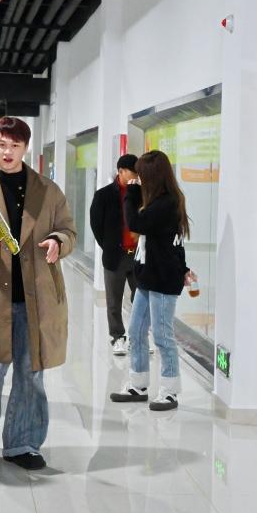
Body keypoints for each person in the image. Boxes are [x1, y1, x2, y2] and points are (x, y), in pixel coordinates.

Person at [0, 116, 76, 470]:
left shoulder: (48, 190)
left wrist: (58, 242)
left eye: (15, 145)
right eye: (1, 145)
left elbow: (68, 230)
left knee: (31, 374)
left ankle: (24, 442)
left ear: (25, 148)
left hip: (37, 299)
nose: (7, 152)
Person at [109, 150, 194, 412]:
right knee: (135, 332)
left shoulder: (167, 203)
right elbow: (172, 243)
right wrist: (184, 267)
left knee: (162, 335)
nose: (138, 179)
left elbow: (136, 223)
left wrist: (131, 193)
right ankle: (138, 384)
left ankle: (169, 391)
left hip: (163, 280)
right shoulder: (158, 200)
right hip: (148, 277)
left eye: (142, 175)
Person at [90, 154, 140, 356]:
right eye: (133, 172)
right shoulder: (103, 195)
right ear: (121, 171)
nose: (136, 176)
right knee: (114, 301)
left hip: (138, 256)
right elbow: (96, 224)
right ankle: (118, 337)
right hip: (115, 256)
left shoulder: (141, 194)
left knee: (141, 299)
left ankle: (139, 337)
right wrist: (109, 246)